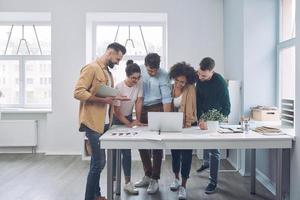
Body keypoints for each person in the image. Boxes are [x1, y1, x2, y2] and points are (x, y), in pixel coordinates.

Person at [74, 42, 127, 200]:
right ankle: (90, 197)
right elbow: (78, 92)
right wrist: (104, 101)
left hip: (104, 123)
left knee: (96, 162)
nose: (118, 62)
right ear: (109, 52)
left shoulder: (107, 72)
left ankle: (96, 195)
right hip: (92, 123)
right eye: (117, 58)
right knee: (99, 162)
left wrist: (116, 97)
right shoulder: (91, 68)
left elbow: (105, 93)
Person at [134, 53, 172, 194]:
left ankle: (155, 178)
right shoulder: (139, 70)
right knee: (142, 143)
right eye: (150, 70)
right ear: (145, 65)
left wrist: (166, 120)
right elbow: (137, 93)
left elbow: (167, 100)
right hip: (142, 107)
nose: (153, 72)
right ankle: (147, 175)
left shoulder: (164, 75)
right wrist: (137, 118)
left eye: (155, 70)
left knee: (156, 144)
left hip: (158, 107)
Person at [195, 57, 231, 194]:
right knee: (204, 138)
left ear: (212, 72)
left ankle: (213, 182)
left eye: (203, 75)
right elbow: (198, 101)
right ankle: (206, 163)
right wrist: (200, 119)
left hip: (217, 115)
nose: (200, 77)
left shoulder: (220, 83)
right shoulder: (199, 78)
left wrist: (215, 120)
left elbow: (227, 107)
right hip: (204, 113)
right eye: (199, 73)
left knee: (214, 149)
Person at [112, 60, 143, 195]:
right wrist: (129, 124)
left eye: (138, 78)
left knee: (127, 152)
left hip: (129, 117)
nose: (135, 80)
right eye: (133, 78)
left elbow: (138, 102)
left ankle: (127, 183)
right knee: (114, 153)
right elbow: (116, 111)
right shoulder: (118, 87)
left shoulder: (138, 85)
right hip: (117, 120)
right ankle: (113, 183)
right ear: (127, 75)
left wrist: (138, 119)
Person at [168, 62, 197, 200]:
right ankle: (176, 178)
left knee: (186, 156)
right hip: (174, 127)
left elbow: (193, 108)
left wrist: (190, 122)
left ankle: (184, 186)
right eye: (178, 80)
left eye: (183, 81)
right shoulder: (171, 88)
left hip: (187, 126)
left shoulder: (190, 88)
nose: (180, 83)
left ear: (188, 81)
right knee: (175, 154)